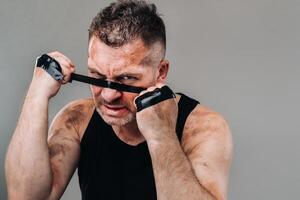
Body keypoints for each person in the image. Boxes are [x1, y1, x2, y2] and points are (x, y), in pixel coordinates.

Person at [5, 0, 233, 199]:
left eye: (127, 78)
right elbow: (25, 197)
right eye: (97, 76)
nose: (108, 95)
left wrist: (161, 136)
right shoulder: (77, 119)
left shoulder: (203, 127)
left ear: (161, 72)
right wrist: (37, 94)